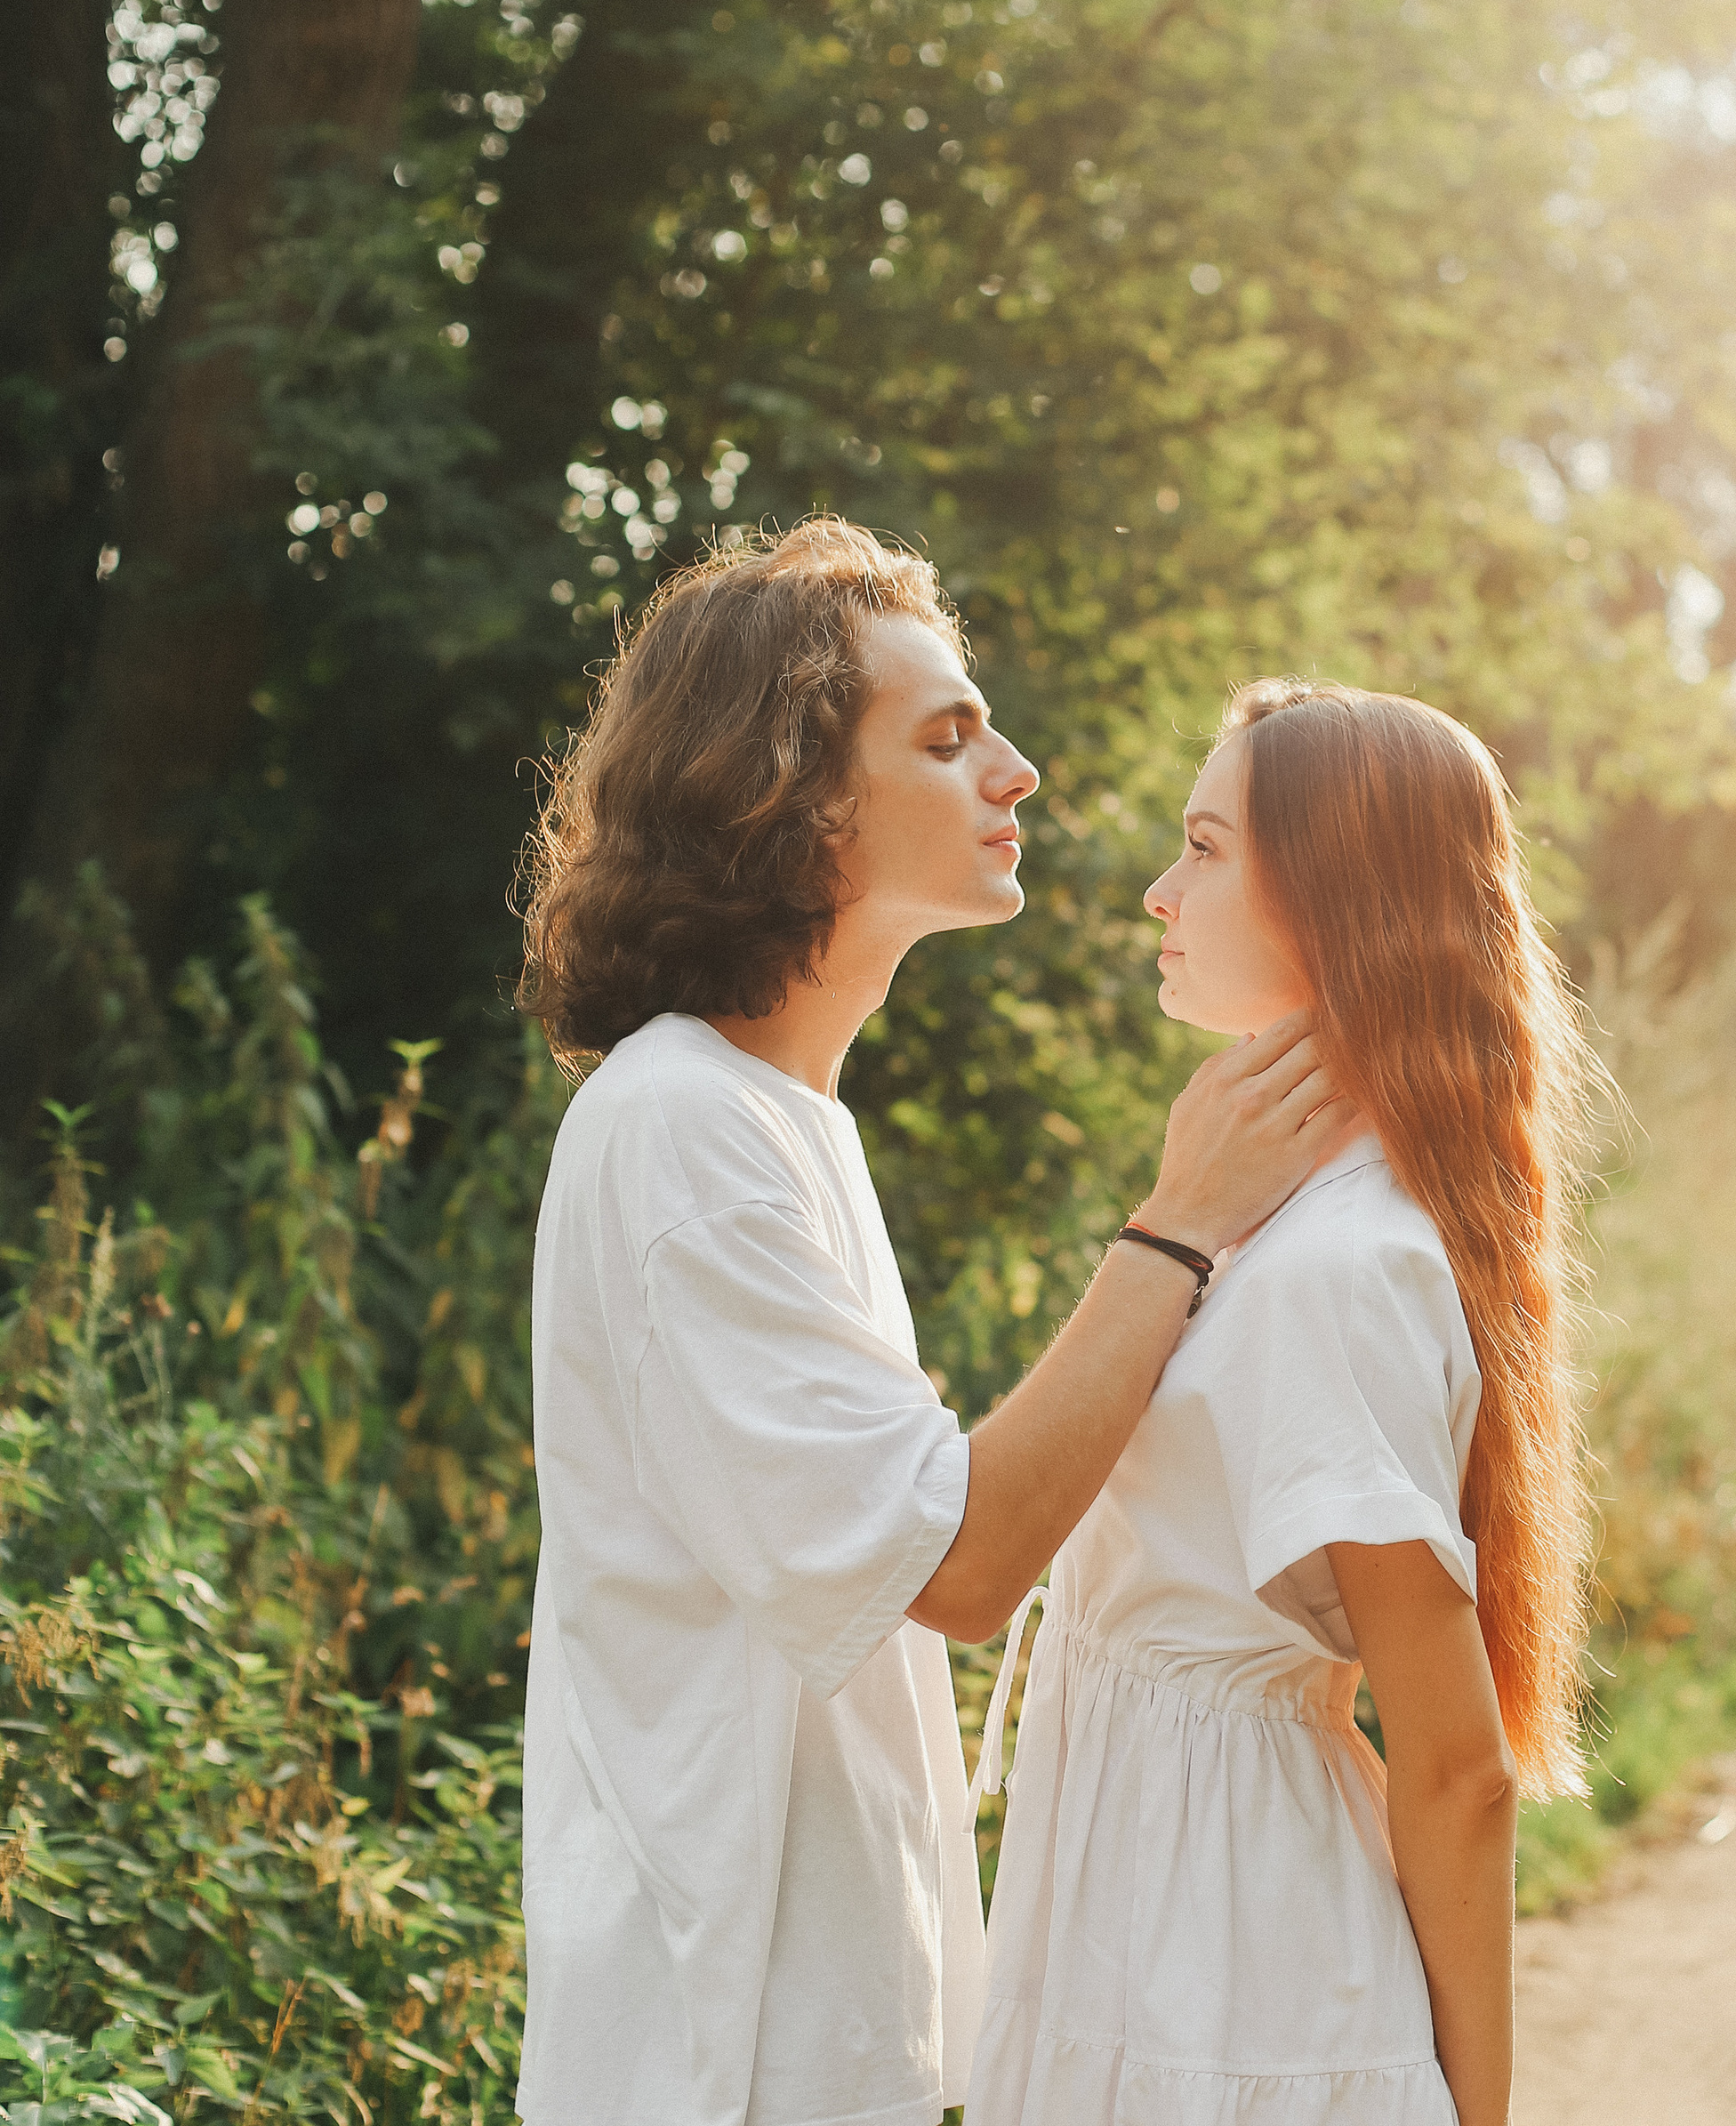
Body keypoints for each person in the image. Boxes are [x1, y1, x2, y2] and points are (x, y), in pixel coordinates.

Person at [510, 520, 1343, 2126]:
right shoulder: (683, 1129)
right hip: (716, 2055)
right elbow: (954, 1570)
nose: (1016, 771)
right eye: (948, 738)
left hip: (809, 2031)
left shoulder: (781, 1115)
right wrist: (1180, 1225)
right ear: (785, 790)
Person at [965, 679, 1595, 2126]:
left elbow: (1455, 1765)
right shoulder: (1279, 1222)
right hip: (1159, 1941)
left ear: (1331, 895)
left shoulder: (1338, 1269)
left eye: (1202, 846)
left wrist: (1477, 2115)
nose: (1154, 891)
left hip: (1237, 1985)